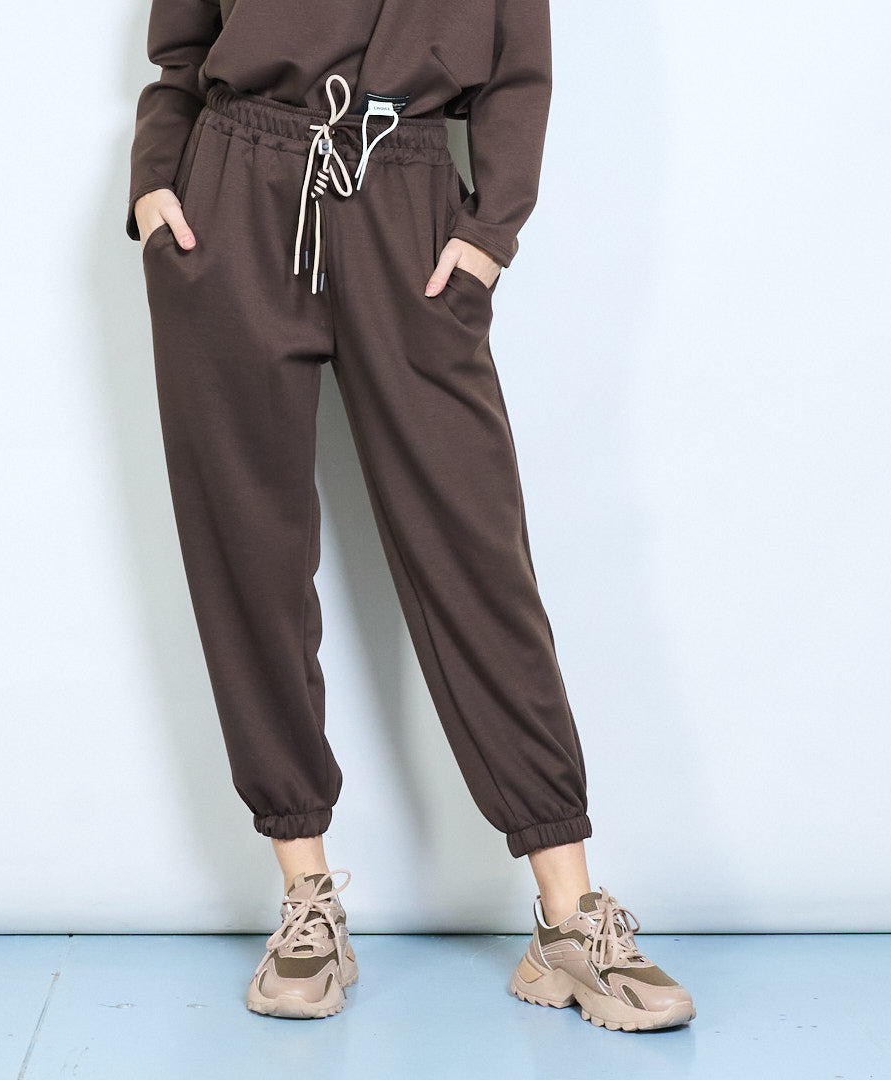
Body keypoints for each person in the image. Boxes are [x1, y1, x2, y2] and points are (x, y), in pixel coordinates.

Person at [126, 0, 696, 1031]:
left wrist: (487, 234)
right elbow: (180, 57)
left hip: (410, 202)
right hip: (230, 201)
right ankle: (305, 893)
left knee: (475, 555)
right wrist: (157, 184)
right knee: (247, 552)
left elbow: (516, 75)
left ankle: (567, 918)